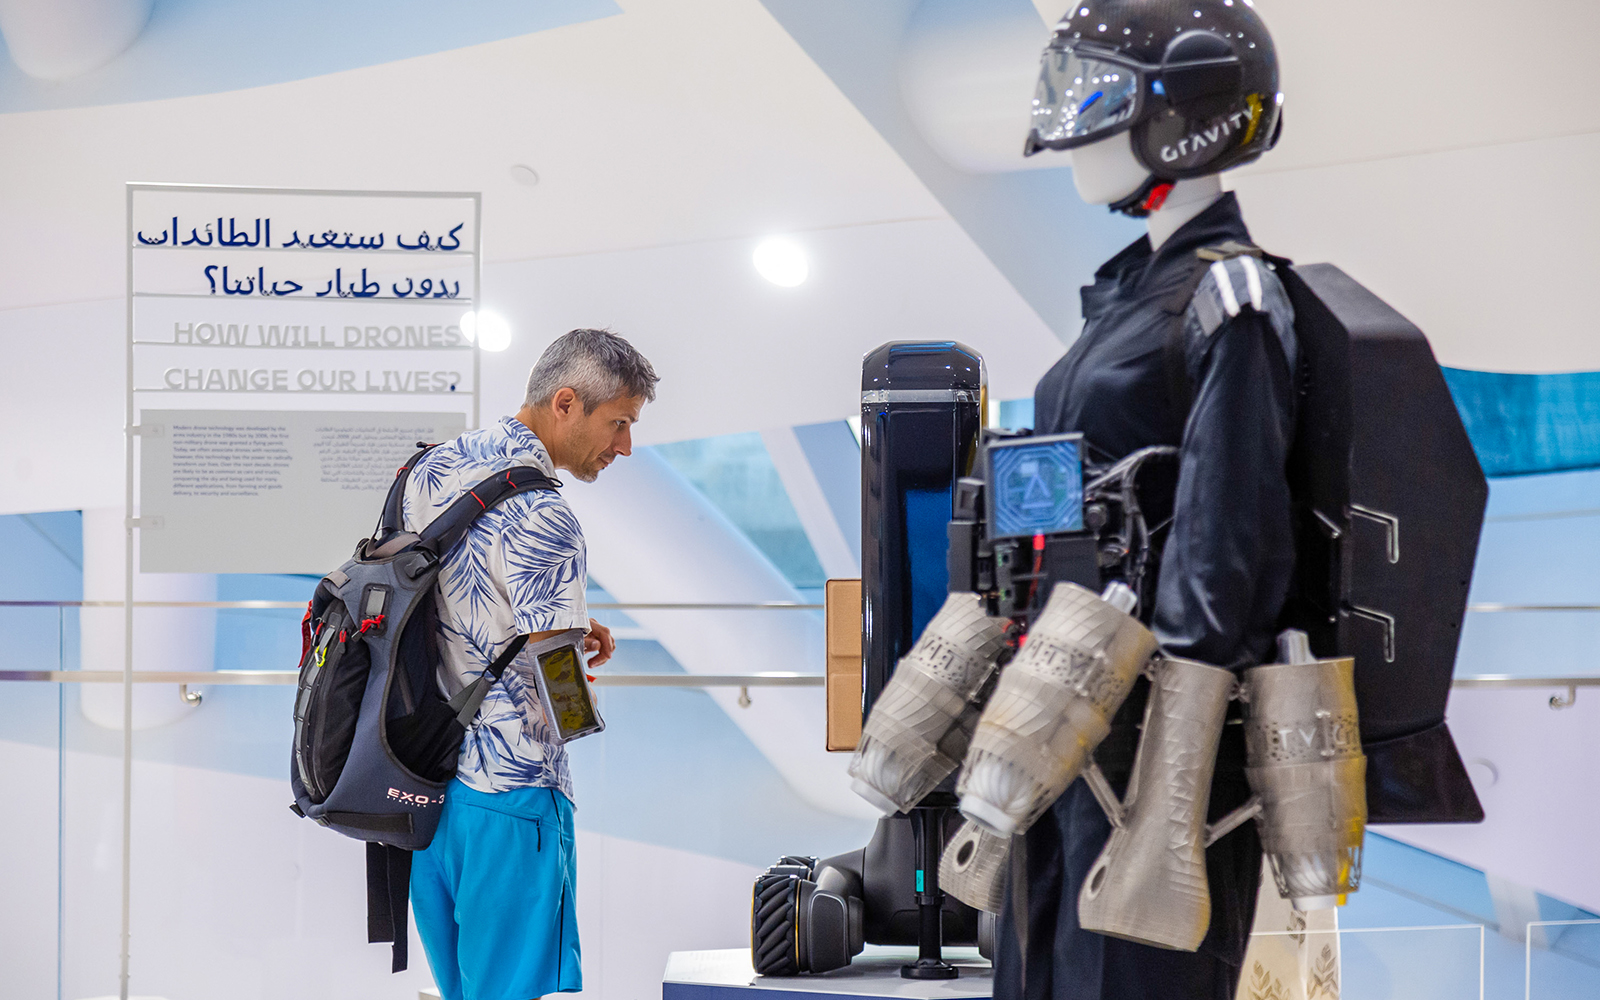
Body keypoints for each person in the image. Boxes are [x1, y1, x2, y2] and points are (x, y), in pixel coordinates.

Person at [1000, 2, 1295, 998]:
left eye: (1098, 97)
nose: (1072, 132)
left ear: (1184, 115)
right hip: (1068, 714)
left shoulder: (1231, 299)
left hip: (1153, 751)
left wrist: (1164, 787)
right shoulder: (1134, 296)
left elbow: (1224, 551)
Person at [403, 328, 659, 1000]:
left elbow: (430, 596)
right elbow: (561, 699)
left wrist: (553, 624)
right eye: (620, 423)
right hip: (510, 794)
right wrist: (575, 683)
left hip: (421, 788)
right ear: (565, 403)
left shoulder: (431, 469)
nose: (625, 446)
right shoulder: (546, 515)